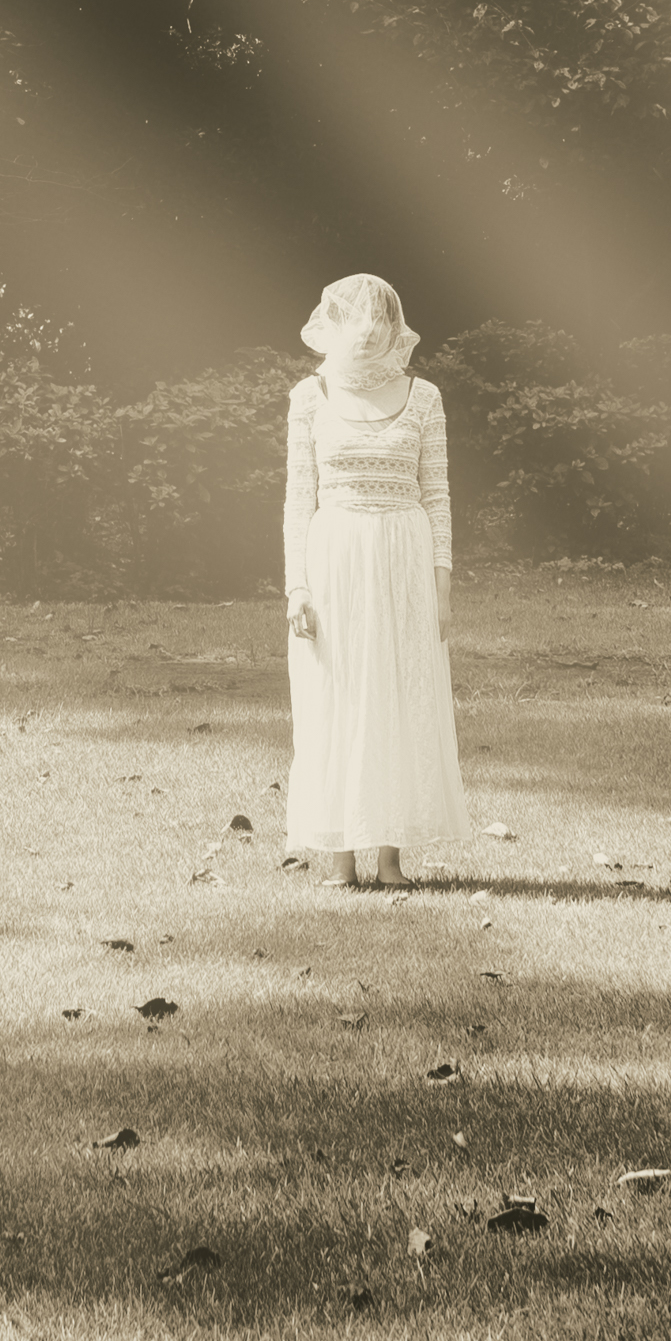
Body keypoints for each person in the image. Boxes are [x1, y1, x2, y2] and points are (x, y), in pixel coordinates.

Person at [280, 272, 468, 888]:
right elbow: (297, 499)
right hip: (335, 562)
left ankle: (389, 857)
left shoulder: (425, 397)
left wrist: (441, 586)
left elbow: (437, 494)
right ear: (335, 326)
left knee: (396, 697)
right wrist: (297, 588)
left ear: (394, 327)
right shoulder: (310, 396)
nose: (367, 331)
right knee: (340, 696)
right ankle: (341, 856)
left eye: (378, 320)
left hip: (405, 562)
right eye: (356, 320)